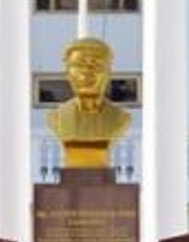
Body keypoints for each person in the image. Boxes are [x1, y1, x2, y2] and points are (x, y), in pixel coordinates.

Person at [47, 36, 131, 169]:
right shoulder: (57, 117)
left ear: (108, 72)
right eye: (79, 65)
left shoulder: (120, 118)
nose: (87, 72)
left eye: (96, 65)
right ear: (67, 72)